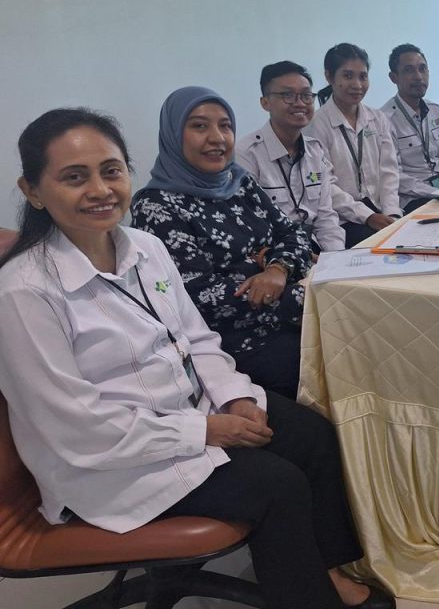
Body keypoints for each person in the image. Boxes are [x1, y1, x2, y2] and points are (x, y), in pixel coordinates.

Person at [0, 108, 394, 609]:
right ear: (33, 191)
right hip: (110, 460)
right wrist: (205, 431)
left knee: (311, 436)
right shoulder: (25, 291)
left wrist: (234, 399)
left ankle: (328, 572)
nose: (100, 190)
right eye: (74, 177)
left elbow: (195, 338)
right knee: (277, 486)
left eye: (111, 171)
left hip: (190, 410)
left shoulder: (144, 248)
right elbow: (74, 427)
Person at [132, 87, 311, 399]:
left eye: (225, 126)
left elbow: (294, 234)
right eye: (199, 126)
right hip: (231, 346)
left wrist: (277, 270)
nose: (217, 138)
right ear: (173, 134)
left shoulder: (239, 183)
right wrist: (300, 296)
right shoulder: (156, 206)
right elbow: (202, 297)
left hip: (291, 318)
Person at [236, 61, 348, 253]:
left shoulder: (315, 150)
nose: (300, 103)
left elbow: (326, 218)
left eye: (306, 95)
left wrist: (336, 258)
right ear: (265, 103)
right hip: (275, 255)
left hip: (315, 249)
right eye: (287, 95)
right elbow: (252, 226)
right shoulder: (246, 155)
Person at [308, 43, 402, 246]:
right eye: (348, 76)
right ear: (329, 77)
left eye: (363, 76)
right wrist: (367, 216)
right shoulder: (315, 125)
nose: (357, 85)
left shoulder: (378, 118)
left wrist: (392, 213)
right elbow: (326, 184)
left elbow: (389, 171)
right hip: (343, 219)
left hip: (381, 211)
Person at [382, 44, 439, 213]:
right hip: (414, 198)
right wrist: (437, 193)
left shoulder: (434, 109)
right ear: (394, 77)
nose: (418, 76)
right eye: (408, 70)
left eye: (422, 69)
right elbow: (396, 176)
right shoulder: (385, 119)